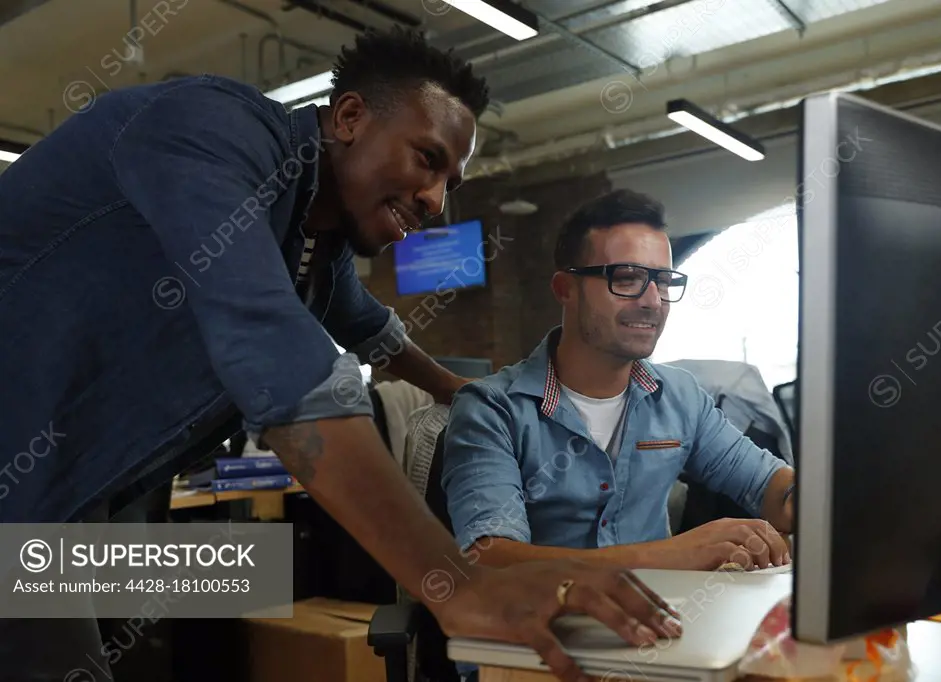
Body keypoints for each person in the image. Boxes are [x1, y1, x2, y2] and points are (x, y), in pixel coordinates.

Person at [0, 28, 681, 682]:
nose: (437, 202)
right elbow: (270, 344)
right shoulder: (208, 131)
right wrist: (457, 587)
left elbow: (371, 329)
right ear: (350, 116)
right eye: (427, 159)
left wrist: (475, 396)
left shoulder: (312, 238)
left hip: (58, 489)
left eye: (453, 182)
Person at [442, 189, 796, 573]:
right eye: (627, 279)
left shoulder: (679, 397)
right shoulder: (492, 409)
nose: (653, 301)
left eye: (662, 281)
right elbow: (491, 558)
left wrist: (833, 499)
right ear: (566, 290)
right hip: (545, 627)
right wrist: (671, 555)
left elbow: (770, 487)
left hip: (664, 623)